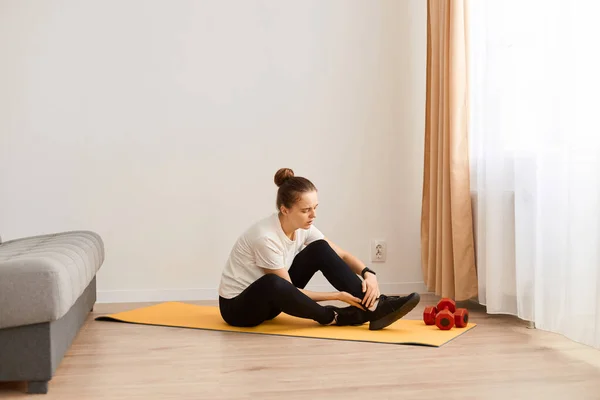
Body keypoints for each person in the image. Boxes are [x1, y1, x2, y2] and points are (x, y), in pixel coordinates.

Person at [218, 168, 420, 330]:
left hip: (274, 298)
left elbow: (340, 254)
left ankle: (375, 305)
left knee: (320, 248)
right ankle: (333, 316)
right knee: (274, 283)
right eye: (306, 210)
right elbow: (288, 291)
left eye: (315, 208)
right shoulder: (265, 238)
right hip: (239, 309)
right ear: (284, 210)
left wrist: (369, 274)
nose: (313, 215)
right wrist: (336, 296)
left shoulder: (303, 226)